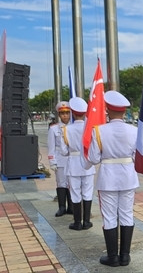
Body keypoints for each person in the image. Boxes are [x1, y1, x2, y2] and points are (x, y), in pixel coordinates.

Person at [83, 91, 138, 267]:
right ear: (124, 111)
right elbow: (138, 157)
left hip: (108, 177)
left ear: (107, 109)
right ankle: (125, 256)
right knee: (127, 214)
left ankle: (112, 256)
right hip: (128, 176)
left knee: (109, 217)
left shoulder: (99, 131)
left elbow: (93, 158)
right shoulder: (134, 131)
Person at [60, 97, 96, 231]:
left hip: (73, 164)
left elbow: (64, 152)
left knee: (75, 193)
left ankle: (77, 222)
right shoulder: (91, 129)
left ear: (73, 114)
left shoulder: (66, 130)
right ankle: (86, 221)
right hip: (87, 163)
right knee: (87, 192)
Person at [47, 102, 72, 217]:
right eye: (62, 113)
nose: (65, 116)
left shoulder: (73, 127)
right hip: (60, 159)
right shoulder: (53, 129)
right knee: (61, 183)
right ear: (59, 115)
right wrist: (52, 161)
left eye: (67, 113)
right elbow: (51, 147)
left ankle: (71, 207)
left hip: (72, 160)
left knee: (72, 183)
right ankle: (62, 207)